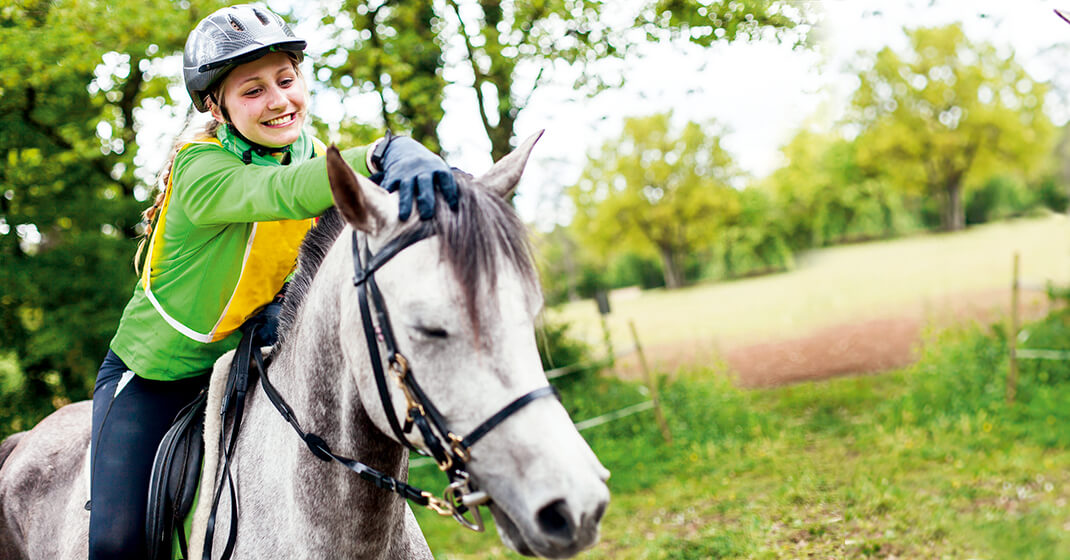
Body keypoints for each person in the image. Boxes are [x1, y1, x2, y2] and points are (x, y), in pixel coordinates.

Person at [87, 4, 459, 558]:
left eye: (286, 80)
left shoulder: (308, 151)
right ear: (217, 106)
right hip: (158, 377)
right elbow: (283, 192)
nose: (280, 101)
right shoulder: (200, 170)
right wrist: (383, 153)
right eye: (253, 90)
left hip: (255, 361)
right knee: (117, 544)